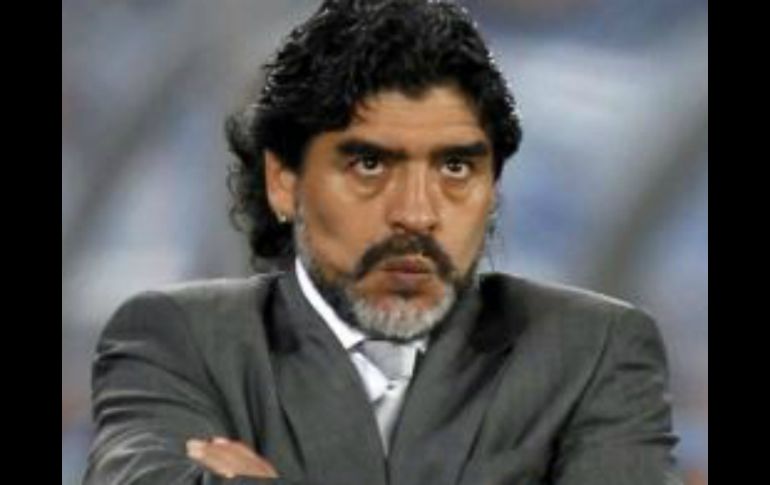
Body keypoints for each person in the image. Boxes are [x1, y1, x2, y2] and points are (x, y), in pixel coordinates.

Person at [84, 1, 680, 483]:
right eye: (368, 165)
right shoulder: (176, 340)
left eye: (455, 168)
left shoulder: (593, 351)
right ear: (284, 183)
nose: (417, 215)